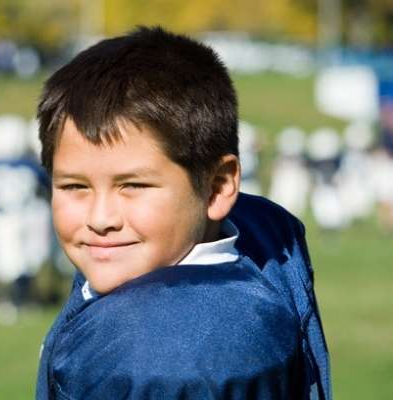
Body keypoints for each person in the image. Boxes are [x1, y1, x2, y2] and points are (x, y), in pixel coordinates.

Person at [34, 26, 330, 399]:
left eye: (133, 186)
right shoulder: (237, 242)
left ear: (219, 187)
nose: (100, 218)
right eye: (75, 186)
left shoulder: (166, 361)